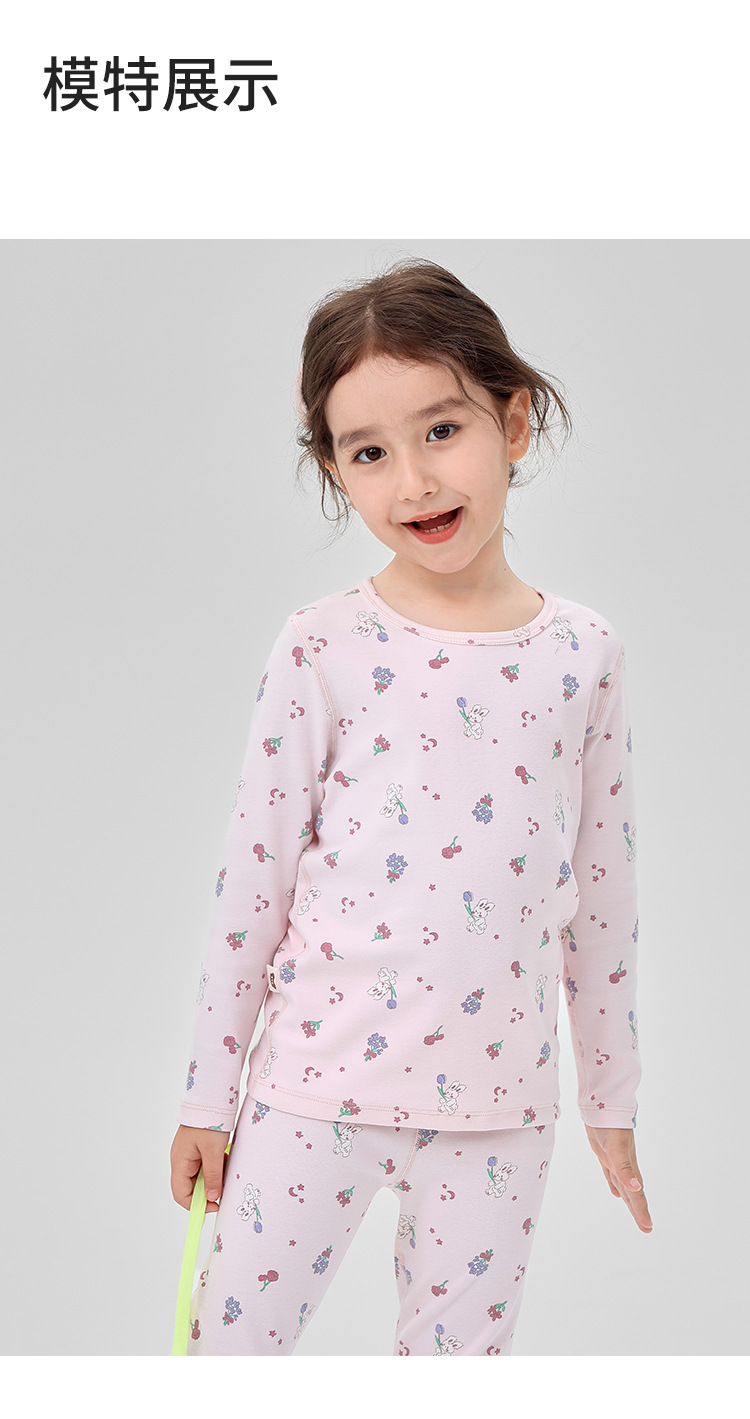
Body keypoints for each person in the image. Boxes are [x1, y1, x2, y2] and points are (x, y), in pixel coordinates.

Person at [169, 257, 653, 1357]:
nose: (416, 482)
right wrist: (208, 1095)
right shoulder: (322, 645)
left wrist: (611, 1100)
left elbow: (606, 897)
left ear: (512, 423)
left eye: (442, 430)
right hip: (312, 1090)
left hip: (498, 1110)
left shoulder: (583, 654)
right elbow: (254, 882)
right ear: (334, 469)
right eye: (370, 453)